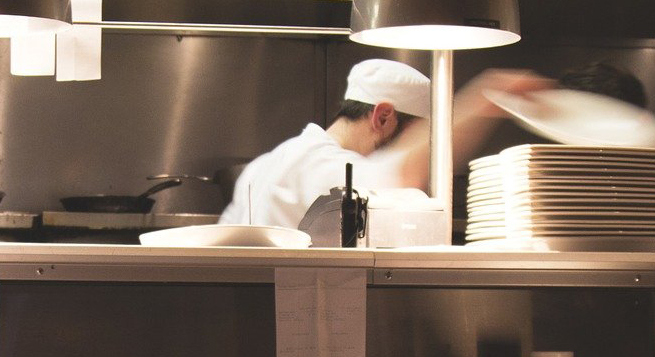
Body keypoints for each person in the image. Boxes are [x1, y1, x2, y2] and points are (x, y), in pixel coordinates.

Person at [220, 59, 550, 230]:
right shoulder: (321, 165)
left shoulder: (263, 165)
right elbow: (401, 172)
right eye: (417, 138)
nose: (421, 150)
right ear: (383, 117)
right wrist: (489, 96)